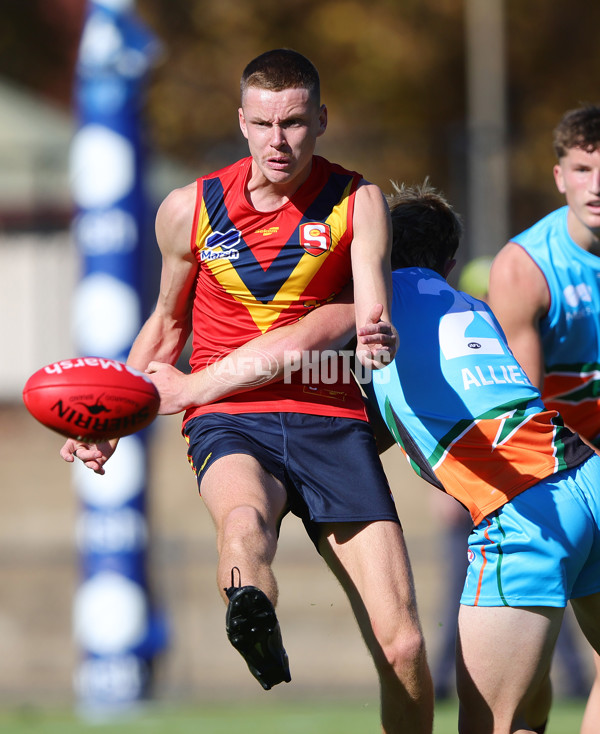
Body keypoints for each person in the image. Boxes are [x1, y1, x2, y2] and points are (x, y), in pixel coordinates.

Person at [60, 49, 433, 733]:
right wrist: (107, 413)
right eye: (263, 123)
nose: (278, 140)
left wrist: (378, 338)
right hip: (230, 417)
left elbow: (372, 306)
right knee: (243, 525)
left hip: (330, 417)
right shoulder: (190, 209)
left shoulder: (358, 201)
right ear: (242, 122)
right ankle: (252, 616)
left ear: (320, 120)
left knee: (403, 642)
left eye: (293, 122)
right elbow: (166, 324)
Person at [488, 104, 600, 734]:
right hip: (554, 484)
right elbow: (524, 417)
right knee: (525, 697)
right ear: (560, 176)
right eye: (582, 169)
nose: (598, 185)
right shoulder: (525, 267)